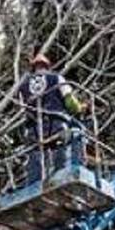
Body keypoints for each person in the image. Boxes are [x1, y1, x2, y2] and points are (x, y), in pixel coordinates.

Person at [16, 53, 87, 185]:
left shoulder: (23, 86)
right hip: (56, 124)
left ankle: (33, 186)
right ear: (47, 66)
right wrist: (80, 108)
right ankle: (68, 175)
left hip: (34, 130)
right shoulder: (56, 78)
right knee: (78, 133)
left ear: (33, 68)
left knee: (35, 158)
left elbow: (23, 110)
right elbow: (70, 103)